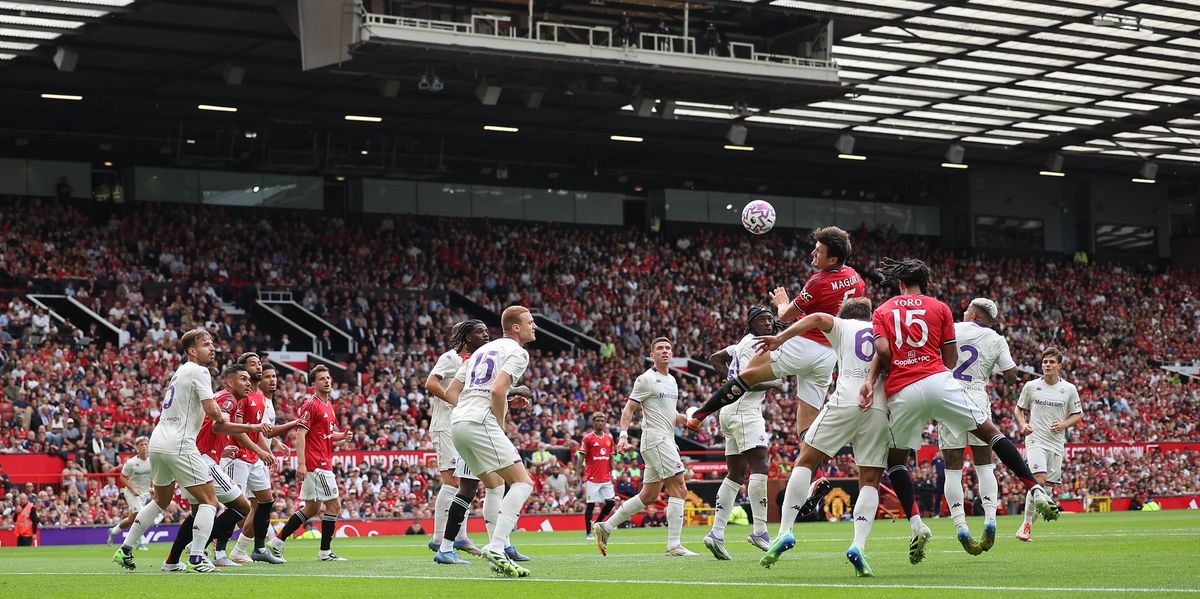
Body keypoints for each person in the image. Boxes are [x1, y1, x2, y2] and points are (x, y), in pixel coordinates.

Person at [858, 258, 1059, 565]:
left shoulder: (883, 310)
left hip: (903, 389)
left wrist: (874, 380)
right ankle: (1034, 487)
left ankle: (917, 524)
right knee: (990, 435)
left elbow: (883, 352)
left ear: (899, 283)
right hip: (942, 382)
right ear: (925, 283)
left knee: (897, 460)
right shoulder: (940, 308)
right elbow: (950, 358)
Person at [688, 227, 864, 469]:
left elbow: (786, 316)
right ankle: (818, 474)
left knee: (748, 374)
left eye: (819, 251)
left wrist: (781, 301)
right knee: (807, 418)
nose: (813, 252)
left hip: (804, 343)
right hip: (828, 355)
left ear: (832, 259)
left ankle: (701, 414)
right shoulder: (856, 277)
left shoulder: (819, 282)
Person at [752, 298, 889, 576]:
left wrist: (779, 338)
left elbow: (815, 318)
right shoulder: (882, 329)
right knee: (871, 478)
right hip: (879, 404)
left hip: (848, 396)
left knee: (806, 459)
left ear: (843, 313)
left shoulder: (842, 325)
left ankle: (785, 531)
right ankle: (858, 546)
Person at [111, 329, 267, 573]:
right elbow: (213, 411)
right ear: (192, 351)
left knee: (161, 500)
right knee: (209, 501)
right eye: (206, 345)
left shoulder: (181, 371)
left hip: (158, 442)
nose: (212, 348)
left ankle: (126, 548)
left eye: (212, 344)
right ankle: (197, 557)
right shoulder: (199, 370)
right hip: (180, 443)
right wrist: (236, 420)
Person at [444, 305, 539, 577]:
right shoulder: (518, 352)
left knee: (493, 483)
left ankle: (498, 546)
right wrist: (499, 425)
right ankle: (498, 547)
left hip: (459, 424)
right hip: (480, 422)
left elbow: (453, 391)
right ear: (516, 327)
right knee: (522, 482)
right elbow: (497, 389)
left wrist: (480, 409)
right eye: (530, 322)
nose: (535, 327)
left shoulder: (480, 352)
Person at [161, 364, 275, 571]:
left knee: (198, 513)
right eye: (243, 379)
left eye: (249, 380)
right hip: (203, 462)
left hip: (198, 458)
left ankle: (172, 561)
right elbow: (217, 425)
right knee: (242, 506)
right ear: (229, 382)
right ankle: (198, 552)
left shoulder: (222, 398)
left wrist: (220, 451)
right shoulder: (228, 399)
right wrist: (253, 427)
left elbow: (208, 430)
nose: (248, 383)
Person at [594, 337, 698, 558]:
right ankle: (674, 545)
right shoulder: (646, 379)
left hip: (665, 439)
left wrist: (686, 419)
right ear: (652, 354)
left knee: (649, 495)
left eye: (668, 348)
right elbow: (628, 410)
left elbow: (670, 414)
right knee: (679, 487)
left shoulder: (672, 381)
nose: (665, 351)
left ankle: (606, 527)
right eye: (660, 348)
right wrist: (623, 435)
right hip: (655, 439)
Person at [702, 306, 781, 560]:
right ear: (750, 324)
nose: (768, 323)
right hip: (745, 410)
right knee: (760, 465)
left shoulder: (739, 345)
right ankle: (760, 531)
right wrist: (775, 380)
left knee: (735, 474)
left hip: (730, 410)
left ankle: (716, 533)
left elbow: (715, 358)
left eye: (770, 319)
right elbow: (752, 380)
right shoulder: (753, 345)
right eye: (762, 320)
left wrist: (729, 382)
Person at [940, 298, 1018, 554]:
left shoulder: (952, 327)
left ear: (972, 314)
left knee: (953, 469)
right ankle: (990, 519)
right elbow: (1011, 375)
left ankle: (960, 524)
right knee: (984, 465)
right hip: (977, 398)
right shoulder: (996, 339)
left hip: (950, 396)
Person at [267, 365, 350, 562]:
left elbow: (328, 435)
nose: (327, 381)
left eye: (328, 378)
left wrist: (342, 436)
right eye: (322, 379)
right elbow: (301, 434)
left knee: (312, 508)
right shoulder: (311, 404)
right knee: (334, 506)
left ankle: (277, 542)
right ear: (313, 384)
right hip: (317, 463)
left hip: (322, 461)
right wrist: (301, 464)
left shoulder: (329, 406)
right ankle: (325, 552)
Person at [424, 320, 488, 564]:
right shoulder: (450, 358)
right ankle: (440, 538)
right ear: (465, 336)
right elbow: (431, 383)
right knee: (451, 480)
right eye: (478, 332)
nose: (485, 336)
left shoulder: (472, 363)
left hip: (462, 425)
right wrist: (454, 401)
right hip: (444, 425)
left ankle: (459, 537)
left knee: (465, 481)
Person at [221, 353, 286, 565]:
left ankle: (257, 549)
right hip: (237, 457)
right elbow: (239, 431)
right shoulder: (241, 397)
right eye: (253, 364)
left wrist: (267, 451)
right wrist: (261, 451)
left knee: (266, 501)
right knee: (236, 507)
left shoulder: (260, 398)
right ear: (243, 370)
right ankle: (216, 550)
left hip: (254, 458)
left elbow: (258, 430)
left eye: (259, 364)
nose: (258, 368)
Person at [1014, 346, 1082, 542]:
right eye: (1045, 362)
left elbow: (1077, 415)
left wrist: (1064, 424)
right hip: (1035, 439)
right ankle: (1026, 526)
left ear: (1059, 365)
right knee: (1039, 481)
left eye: (1052, 362)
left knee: (1047, 490)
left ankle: (1025, 527)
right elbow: (1019, 410)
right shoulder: (1031, 386)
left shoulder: (1069, 389)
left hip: (1056, 443)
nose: (1047, 365)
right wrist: (1023, 424)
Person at [106, 436, 152, 549]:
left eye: (146, 444)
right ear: (137, 448)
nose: (144, 447)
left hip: (144, 494)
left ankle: (113, 531)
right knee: (141, 515)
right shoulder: (131, 462)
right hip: (132, 493)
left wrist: (152, 487)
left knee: (131, 519)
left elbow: (152, 476)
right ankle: (140, 543)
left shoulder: (152, 461)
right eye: (141, 445)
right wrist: (133, 489)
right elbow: (122, 478)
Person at [578, 412, 616, 540]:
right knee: (591, 504)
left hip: (605, 477)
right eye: (597, 421)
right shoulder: (588, 438)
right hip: (592, 478)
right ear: (593, 423)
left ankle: (597, 523)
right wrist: (577, 474)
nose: (600, 423)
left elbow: (611, 457)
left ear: (604, 423)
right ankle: (588, 532)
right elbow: (581, 457)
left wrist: (614, 472)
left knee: (611, 503)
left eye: (602, 421)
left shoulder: (609, 438)